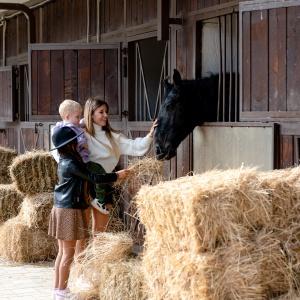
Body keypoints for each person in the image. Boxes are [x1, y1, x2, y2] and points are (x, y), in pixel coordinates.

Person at [48, 126, 129, 300]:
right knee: (68, 254)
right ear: (69, 145)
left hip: (62, 208)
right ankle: (61, 292)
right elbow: (95, 178)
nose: (79, 142)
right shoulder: (71, 163)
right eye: (75, 140)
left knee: (63, 253)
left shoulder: (65, 161)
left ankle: (58, 290)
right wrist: (117, 175)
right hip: (69, 210)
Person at [83, 96, 157, 233]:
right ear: (91, 113)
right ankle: (79, 256)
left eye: (106, 112)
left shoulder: (112, 136)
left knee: (100, 232)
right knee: (81, 234)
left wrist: (150, 135)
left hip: (105, 184)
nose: (105, 115)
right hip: (84, 185)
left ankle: (96, 255)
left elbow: (135, 146)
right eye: (101, 112)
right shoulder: (81, 134)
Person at [52, 99, 109, 215]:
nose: (79, 120)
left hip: (80, 161)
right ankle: (99, 200)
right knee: (98, 172)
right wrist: (82, 144)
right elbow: (72, 145)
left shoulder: (71, 125)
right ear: (67, 116)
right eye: (77, 117)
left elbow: (83, 122)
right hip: (80, 161)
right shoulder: (67, 130)